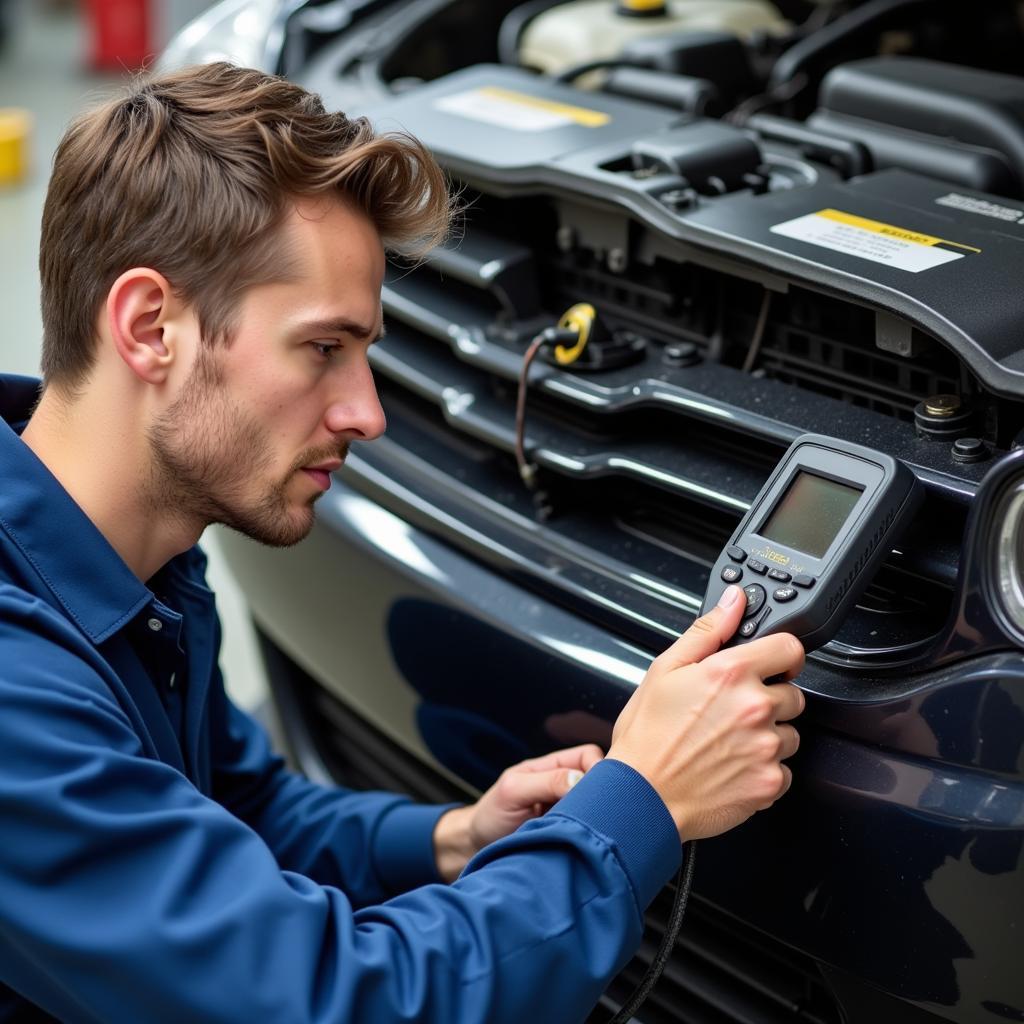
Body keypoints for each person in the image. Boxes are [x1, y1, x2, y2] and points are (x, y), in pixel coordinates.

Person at [0, 62, 805, 1022]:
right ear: (151, 327)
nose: (368, 413)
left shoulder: (135, 559)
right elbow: (329, 1002)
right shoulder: (16, 686)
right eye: (324, 348)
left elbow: (239, 811)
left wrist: (455, 838)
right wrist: (643, 803)